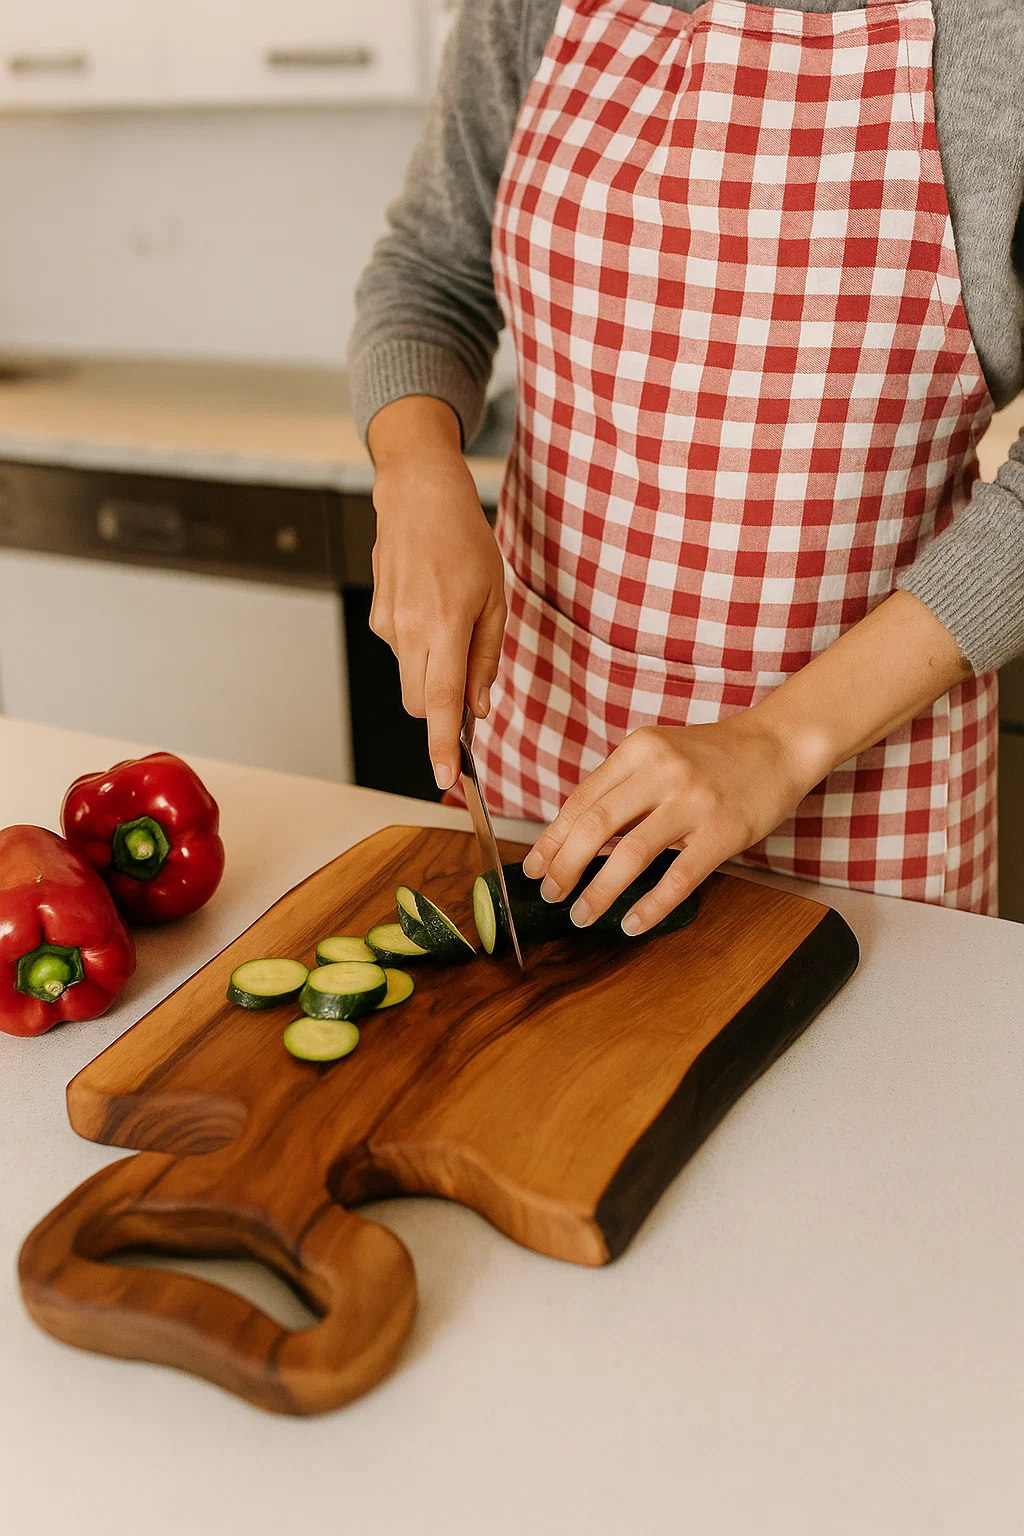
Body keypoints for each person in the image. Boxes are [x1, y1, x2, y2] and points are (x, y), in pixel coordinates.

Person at [350, 0, 1024, 932]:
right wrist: (416, 466)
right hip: (542, 757)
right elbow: (432, 272)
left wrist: (778, 745)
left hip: (861, 801)